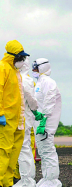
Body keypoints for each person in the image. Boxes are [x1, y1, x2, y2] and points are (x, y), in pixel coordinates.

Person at [0, 40, 29, 187]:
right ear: (12, 57)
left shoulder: (15, 72)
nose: (22, 61)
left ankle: (7, 183)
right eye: (20, 58)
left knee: (13, 154)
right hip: (2, 119)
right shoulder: (0, 69)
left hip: (16, 121)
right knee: (1, 152)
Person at [31, 58, 62, 187]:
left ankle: (53, 180)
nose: (33, 70)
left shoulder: (48, 82)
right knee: (43, 152)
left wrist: (44, 120)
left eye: (36, 67)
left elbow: (49, 101)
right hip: (39, 123)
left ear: (42, 68)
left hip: (46, 123)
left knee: (48, 150)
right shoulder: (39, 82)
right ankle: (47, 178)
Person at [13, 57, 38, 187]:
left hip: (24, 118)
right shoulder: (23, 78)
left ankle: (27, 180)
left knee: (24, 148)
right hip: (23, 117)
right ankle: (27, 179)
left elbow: (32, 101)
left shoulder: (23, 79)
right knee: (24, 148)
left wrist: (35, 109)